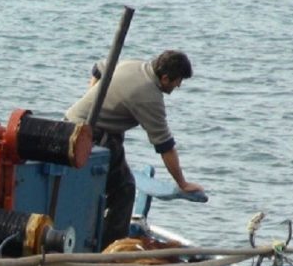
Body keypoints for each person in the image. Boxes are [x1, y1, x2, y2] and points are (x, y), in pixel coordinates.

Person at [65, 50, 204, 248]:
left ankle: (97, 235)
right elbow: (165, 146)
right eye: (178, 81)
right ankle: (111, 250)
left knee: (103, 186)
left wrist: (93, 98)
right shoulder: (150, 97)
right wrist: (182, 183)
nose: (178, 85)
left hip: (70, 125)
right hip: (92, 138)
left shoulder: (133, 65)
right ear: (165, 78)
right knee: (124, 190)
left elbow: (98, 69)